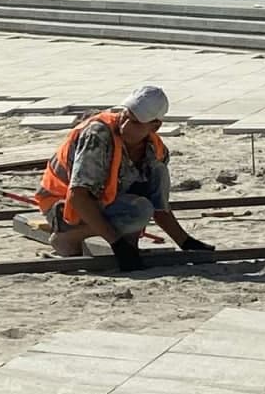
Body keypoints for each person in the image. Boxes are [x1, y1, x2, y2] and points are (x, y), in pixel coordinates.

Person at [34, 85, 215, 271]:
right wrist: (117, 244)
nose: (125, 126)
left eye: (136, 123)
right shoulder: (97, 136)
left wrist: (185, 242)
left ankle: (129, 243)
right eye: (125, 116)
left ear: (155, 126)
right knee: (139, 211)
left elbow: (158, 205)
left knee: (156, 175)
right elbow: (78, 196)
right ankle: (68, 237)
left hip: (99, 201)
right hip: (62, 205)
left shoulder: (155, 149)